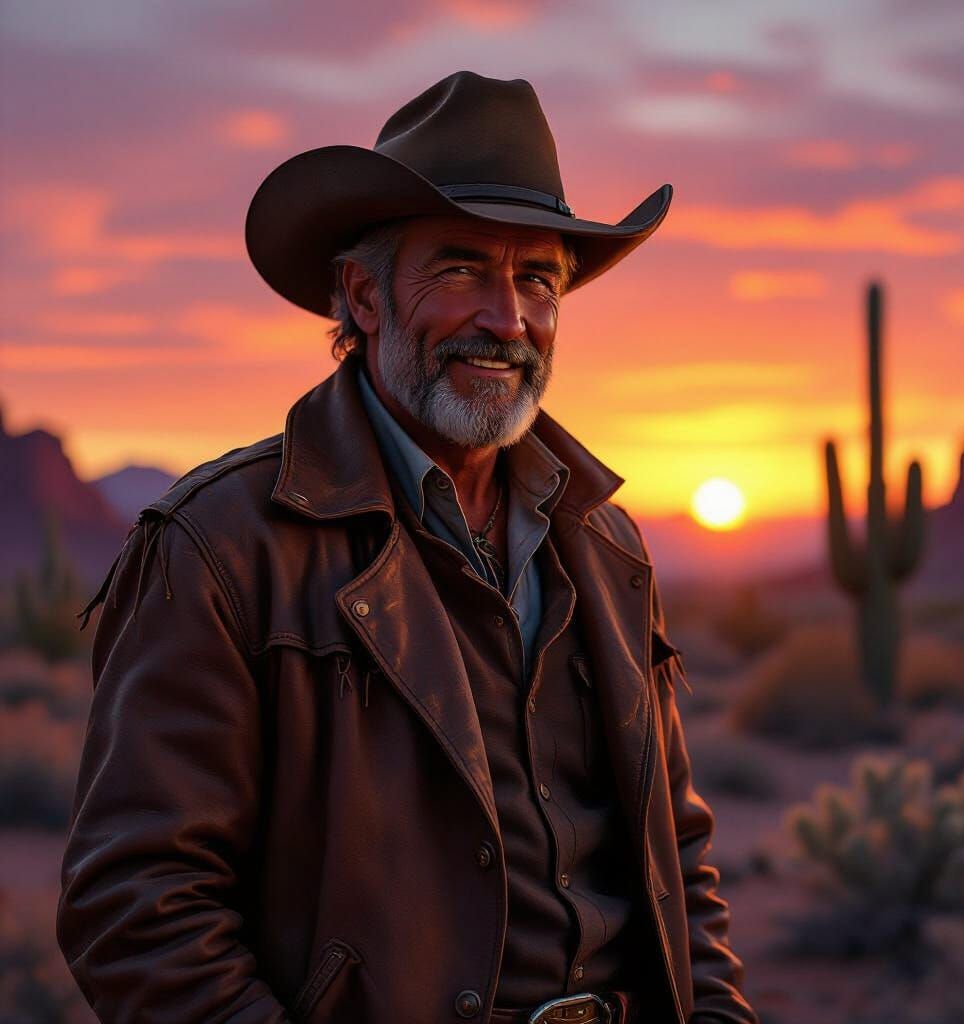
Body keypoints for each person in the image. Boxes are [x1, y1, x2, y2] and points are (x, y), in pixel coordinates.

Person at [57, 70, 758, 1024]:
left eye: (538, 280)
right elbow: (137, 909)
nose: (507, 320)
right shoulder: (221, 549)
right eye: (463, 267)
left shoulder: (606, 544)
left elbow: (679, 860)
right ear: (364, 295)